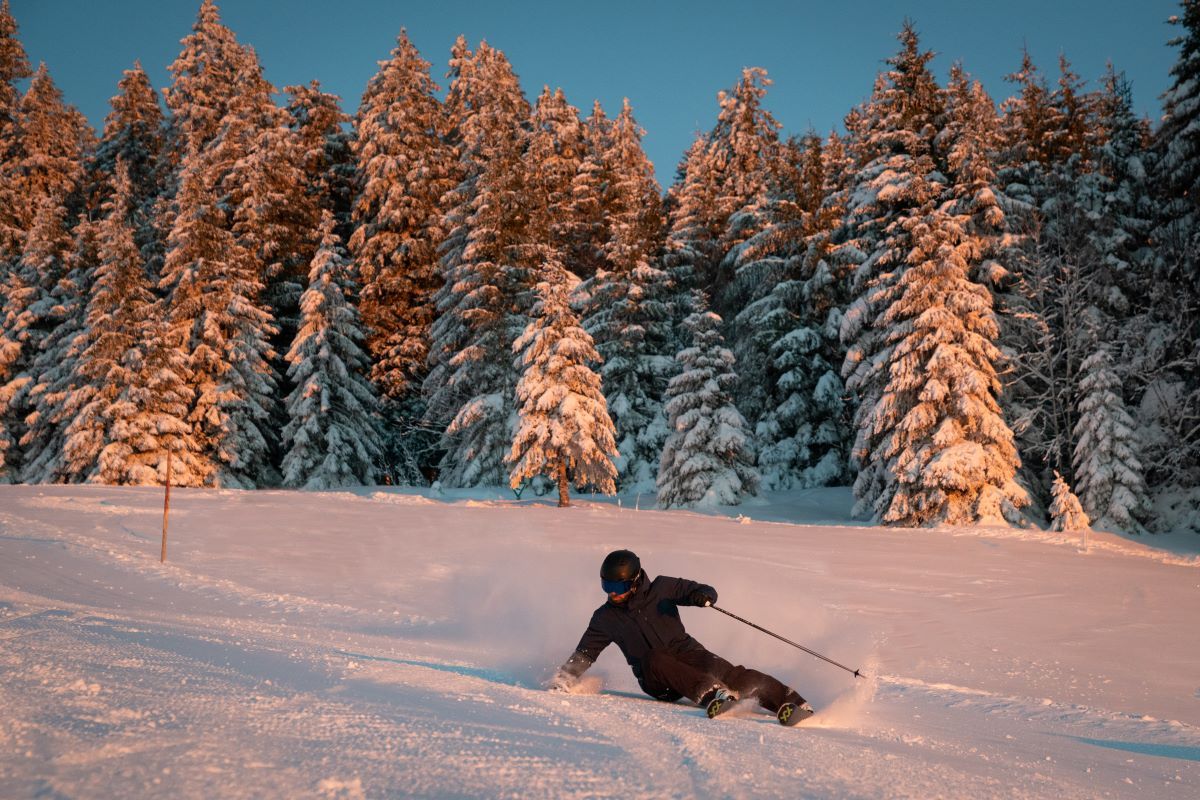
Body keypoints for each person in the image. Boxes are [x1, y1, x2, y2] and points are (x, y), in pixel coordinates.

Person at [549, 549, 814, 726]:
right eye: (607, 586)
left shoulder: (663, 587)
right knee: (655, 658)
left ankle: (792, 702)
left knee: (732, 673)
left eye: (617, 587)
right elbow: (585, 653)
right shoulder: (605, 618)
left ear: (634, 580)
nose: (612, 593)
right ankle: (713, 695)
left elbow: (697, 589)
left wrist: (702, 595)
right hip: (656, 677)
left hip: (687, 652)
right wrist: (563, 680)